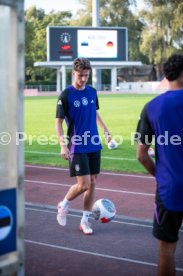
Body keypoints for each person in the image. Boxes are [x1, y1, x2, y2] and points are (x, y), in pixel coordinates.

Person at [135, 54, 183, 276]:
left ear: (166, 75)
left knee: (167, 251)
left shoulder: (152, 107)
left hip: (169, 188)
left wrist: (159, 174)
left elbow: (142, 155)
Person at [55, 57, 111, 235]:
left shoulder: (93, 92)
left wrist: (105, 129)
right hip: (77, 145)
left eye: (86, 75)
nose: (83, 79)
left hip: (94, 143)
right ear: (73, 73)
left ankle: (85, 221)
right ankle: (63, 205)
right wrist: (62, 146)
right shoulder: (66, 95)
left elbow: (94, 112)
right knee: (84, 184)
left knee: (93, 183)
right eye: (80, 75)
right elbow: (58, 122)